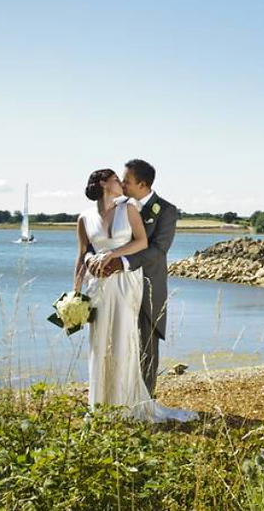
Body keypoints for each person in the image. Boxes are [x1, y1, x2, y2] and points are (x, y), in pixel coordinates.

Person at [74, 165, 195, 422]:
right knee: (104, 341)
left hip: (140, 283)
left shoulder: (162, 210)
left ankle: (140, 401)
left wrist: (121, 262)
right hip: (103, 285)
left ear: (142, 184)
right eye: (120, 179)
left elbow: (157, 249)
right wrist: (86, 272)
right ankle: (104, 400)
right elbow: (84, 250)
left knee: (141, 346)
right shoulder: (98, 212)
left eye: (126, 179)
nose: (123, 183)